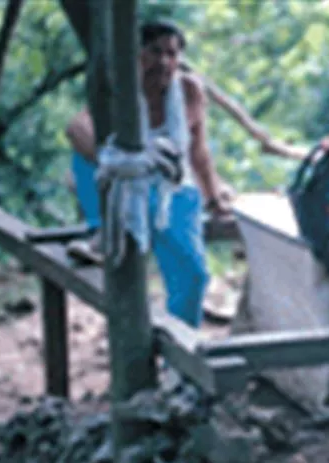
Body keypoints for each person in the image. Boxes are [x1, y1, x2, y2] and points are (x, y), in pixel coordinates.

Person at [65, 19, 231, 329]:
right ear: (136, 54)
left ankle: (181, 343)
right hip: (124, 184)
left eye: (172, 54)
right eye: (155, 51)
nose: (163, 62)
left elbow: (197, 150)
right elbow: (76, 127)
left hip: (172, 187)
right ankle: (101, 232)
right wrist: (125, 161)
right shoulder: (118, 88)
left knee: (194, 275)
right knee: (85, 161)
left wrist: (214, 198)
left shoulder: (189, 90)